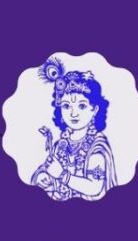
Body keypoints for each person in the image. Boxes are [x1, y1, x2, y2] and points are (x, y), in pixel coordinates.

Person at [31, 56, 116, 202]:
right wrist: (42, 177)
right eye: (66, 106)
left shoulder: (97, 146)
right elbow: (47, 170)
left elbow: (95, 188)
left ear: (94, 109)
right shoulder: (61, 144)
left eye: (82, 106)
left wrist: (62, 175)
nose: (73, 113)